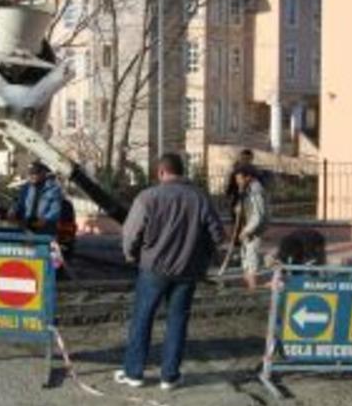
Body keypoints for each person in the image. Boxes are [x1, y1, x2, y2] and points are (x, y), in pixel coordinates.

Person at [114, 153, 224, 390]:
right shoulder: (200, 198)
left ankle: (134, 373)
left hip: (153, 269)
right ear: (182, 172)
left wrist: (131, 255)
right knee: (177, 321)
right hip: (188, 270)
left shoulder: (148, 197)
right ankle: (169, 376)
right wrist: (205, 256)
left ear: (161, 172)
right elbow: (218, 234)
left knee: (142, 319)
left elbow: (130, 233)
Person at [232, 163, 269, 290]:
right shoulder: (247, 190)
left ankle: (253, 291)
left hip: (253, 232)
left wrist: (246, 231)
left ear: (248, 177)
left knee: (251, 261)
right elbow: (247, 207)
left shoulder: (255, 190)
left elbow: (258, 215)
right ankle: (249, 289)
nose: (237, 182)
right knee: (246, 261)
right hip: (248, 231)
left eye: (239, 179)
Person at [12, 161, 64, 234]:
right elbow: (20, 204)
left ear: (43, 173)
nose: (32, 176)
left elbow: (55, 211)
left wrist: (45, 220)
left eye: (35, 173)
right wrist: (13, 211)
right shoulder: (26, 188)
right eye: (30, 173)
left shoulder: (54, 189)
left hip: (46, 230)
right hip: (27, 228)